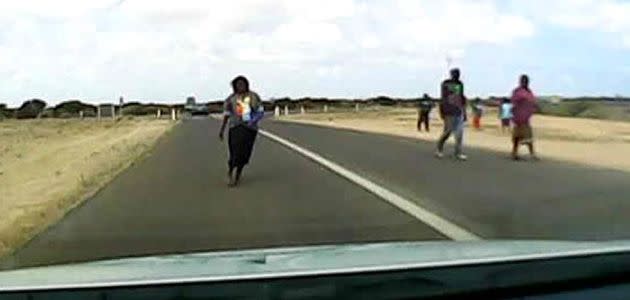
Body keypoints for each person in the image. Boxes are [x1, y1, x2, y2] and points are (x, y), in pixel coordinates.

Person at [219, 76, 265, 187]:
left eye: (243, 84)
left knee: (245, 154)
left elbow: (260, 111)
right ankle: (231, 171)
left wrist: (253, 120)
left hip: (250, 129)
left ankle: (238, 173)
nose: (241, 86)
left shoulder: (254, 96)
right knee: (235, 151)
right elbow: (226, 115)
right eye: (238, 85)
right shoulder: (231, 99)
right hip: (235, 127)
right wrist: (222, 129)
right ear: (235, 86)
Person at [436, 68, 467, 160]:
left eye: (458, 73)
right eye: (455, 73)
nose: (457, 75)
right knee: (448, 132)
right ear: (451, 74)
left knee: (459, 133)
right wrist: (441, 111)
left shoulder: (460, 84)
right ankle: (439, 149)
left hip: (458, 111)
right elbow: (443, 98)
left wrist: (464, 112)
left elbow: (461, 97)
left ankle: (458, 153)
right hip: (448, 111)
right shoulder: (446, 83)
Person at [511, 74, 539, 161]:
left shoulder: (529, 92)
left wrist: (534, 107)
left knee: (528, 136)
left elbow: (532, 102)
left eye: (526, 81)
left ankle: (531, 153)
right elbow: (514, 101)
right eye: (523, 80)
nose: (524, 82)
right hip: (518, 117)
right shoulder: (517, 91)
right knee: (517, 137)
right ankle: (515, 153)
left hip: (526, 118)